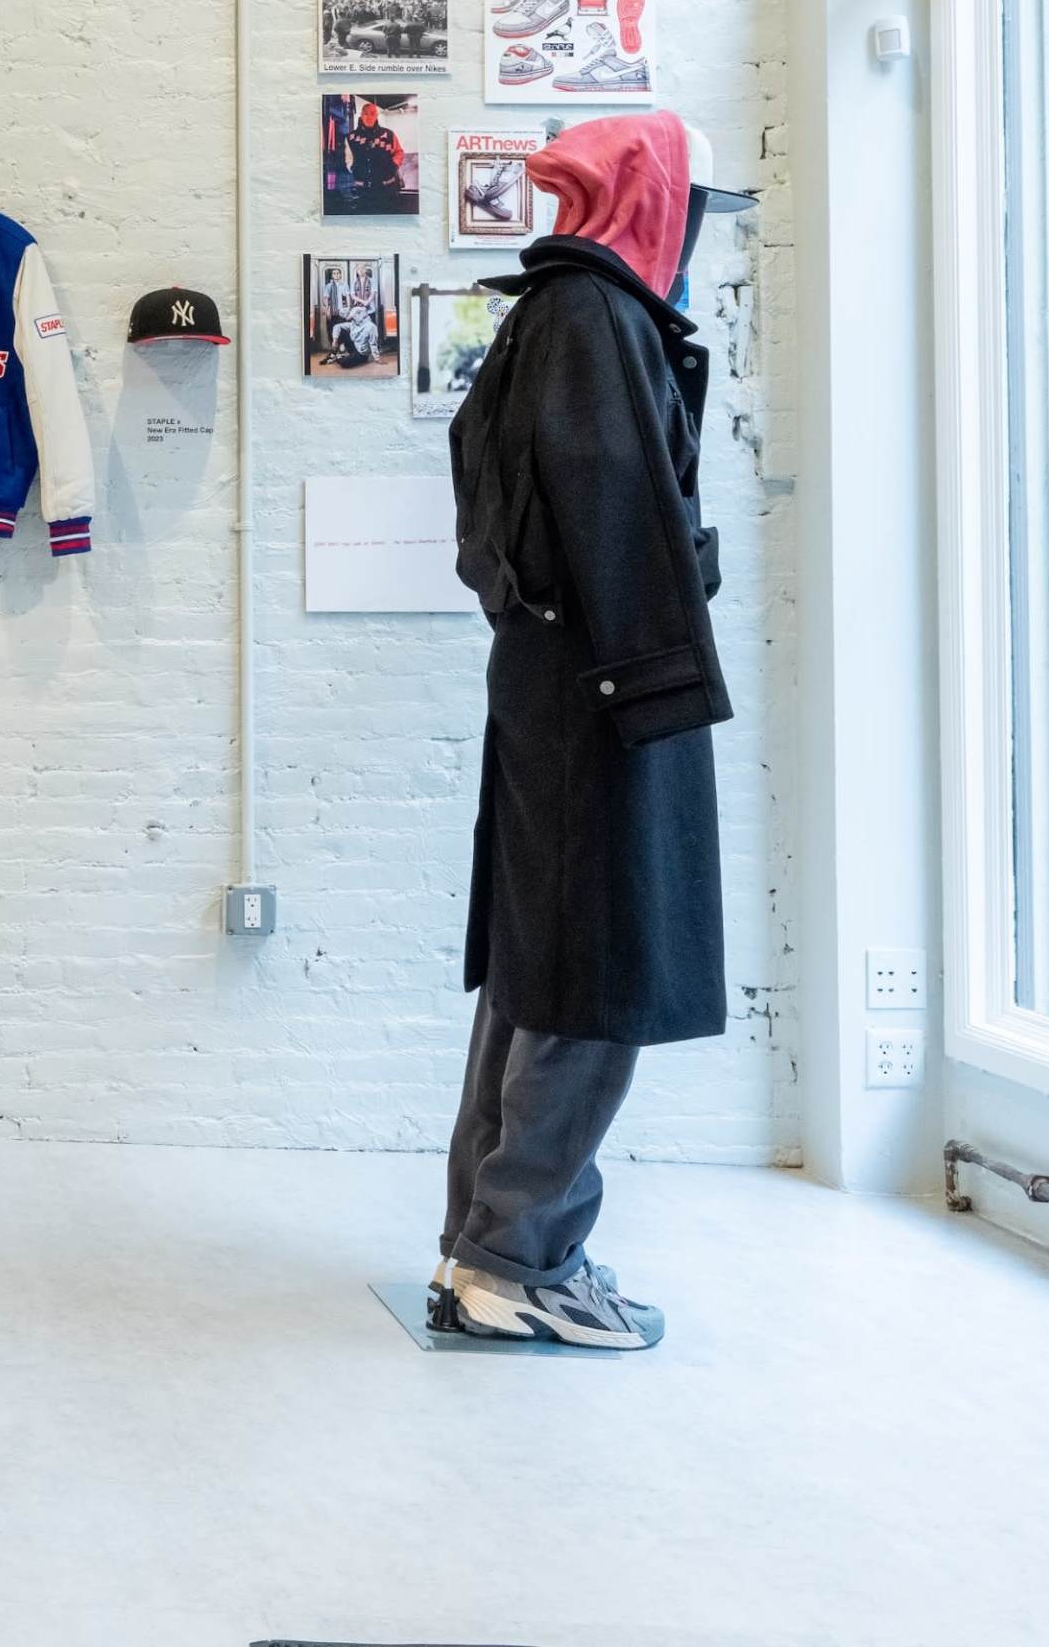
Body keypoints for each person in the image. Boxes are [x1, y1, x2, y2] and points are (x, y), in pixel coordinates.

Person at [430, 112, 734, 1351]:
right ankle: (516, 1258)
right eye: (695, 202)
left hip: (557, 685)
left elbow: (498, 533)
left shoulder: (547, 319)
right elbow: (618, 517)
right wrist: (658, 687)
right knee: (590, 980)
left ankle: (483, 1251)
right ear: (652, 199)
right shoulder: (594, 322)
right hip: (609, 688)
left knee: (539, 971)